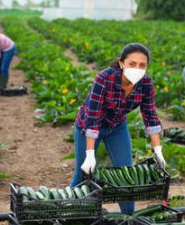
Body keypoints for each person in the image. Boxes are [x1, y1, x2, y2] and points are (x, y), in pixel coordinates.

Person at [70, 43, 166, 215]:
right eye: (132, 63)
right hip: (90, 126)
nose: (137, 68)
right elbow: (93, 115)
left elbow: (150, 117)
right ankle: (66, 211)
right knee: (83, 172)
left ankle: (129, 217)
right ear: (122, 63)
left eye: (142, 65)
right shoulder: (104, 78)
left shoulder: (146, 84)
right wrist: (91, 155)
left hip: (117, 127)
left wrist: (158, 151)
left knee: (125, 173)